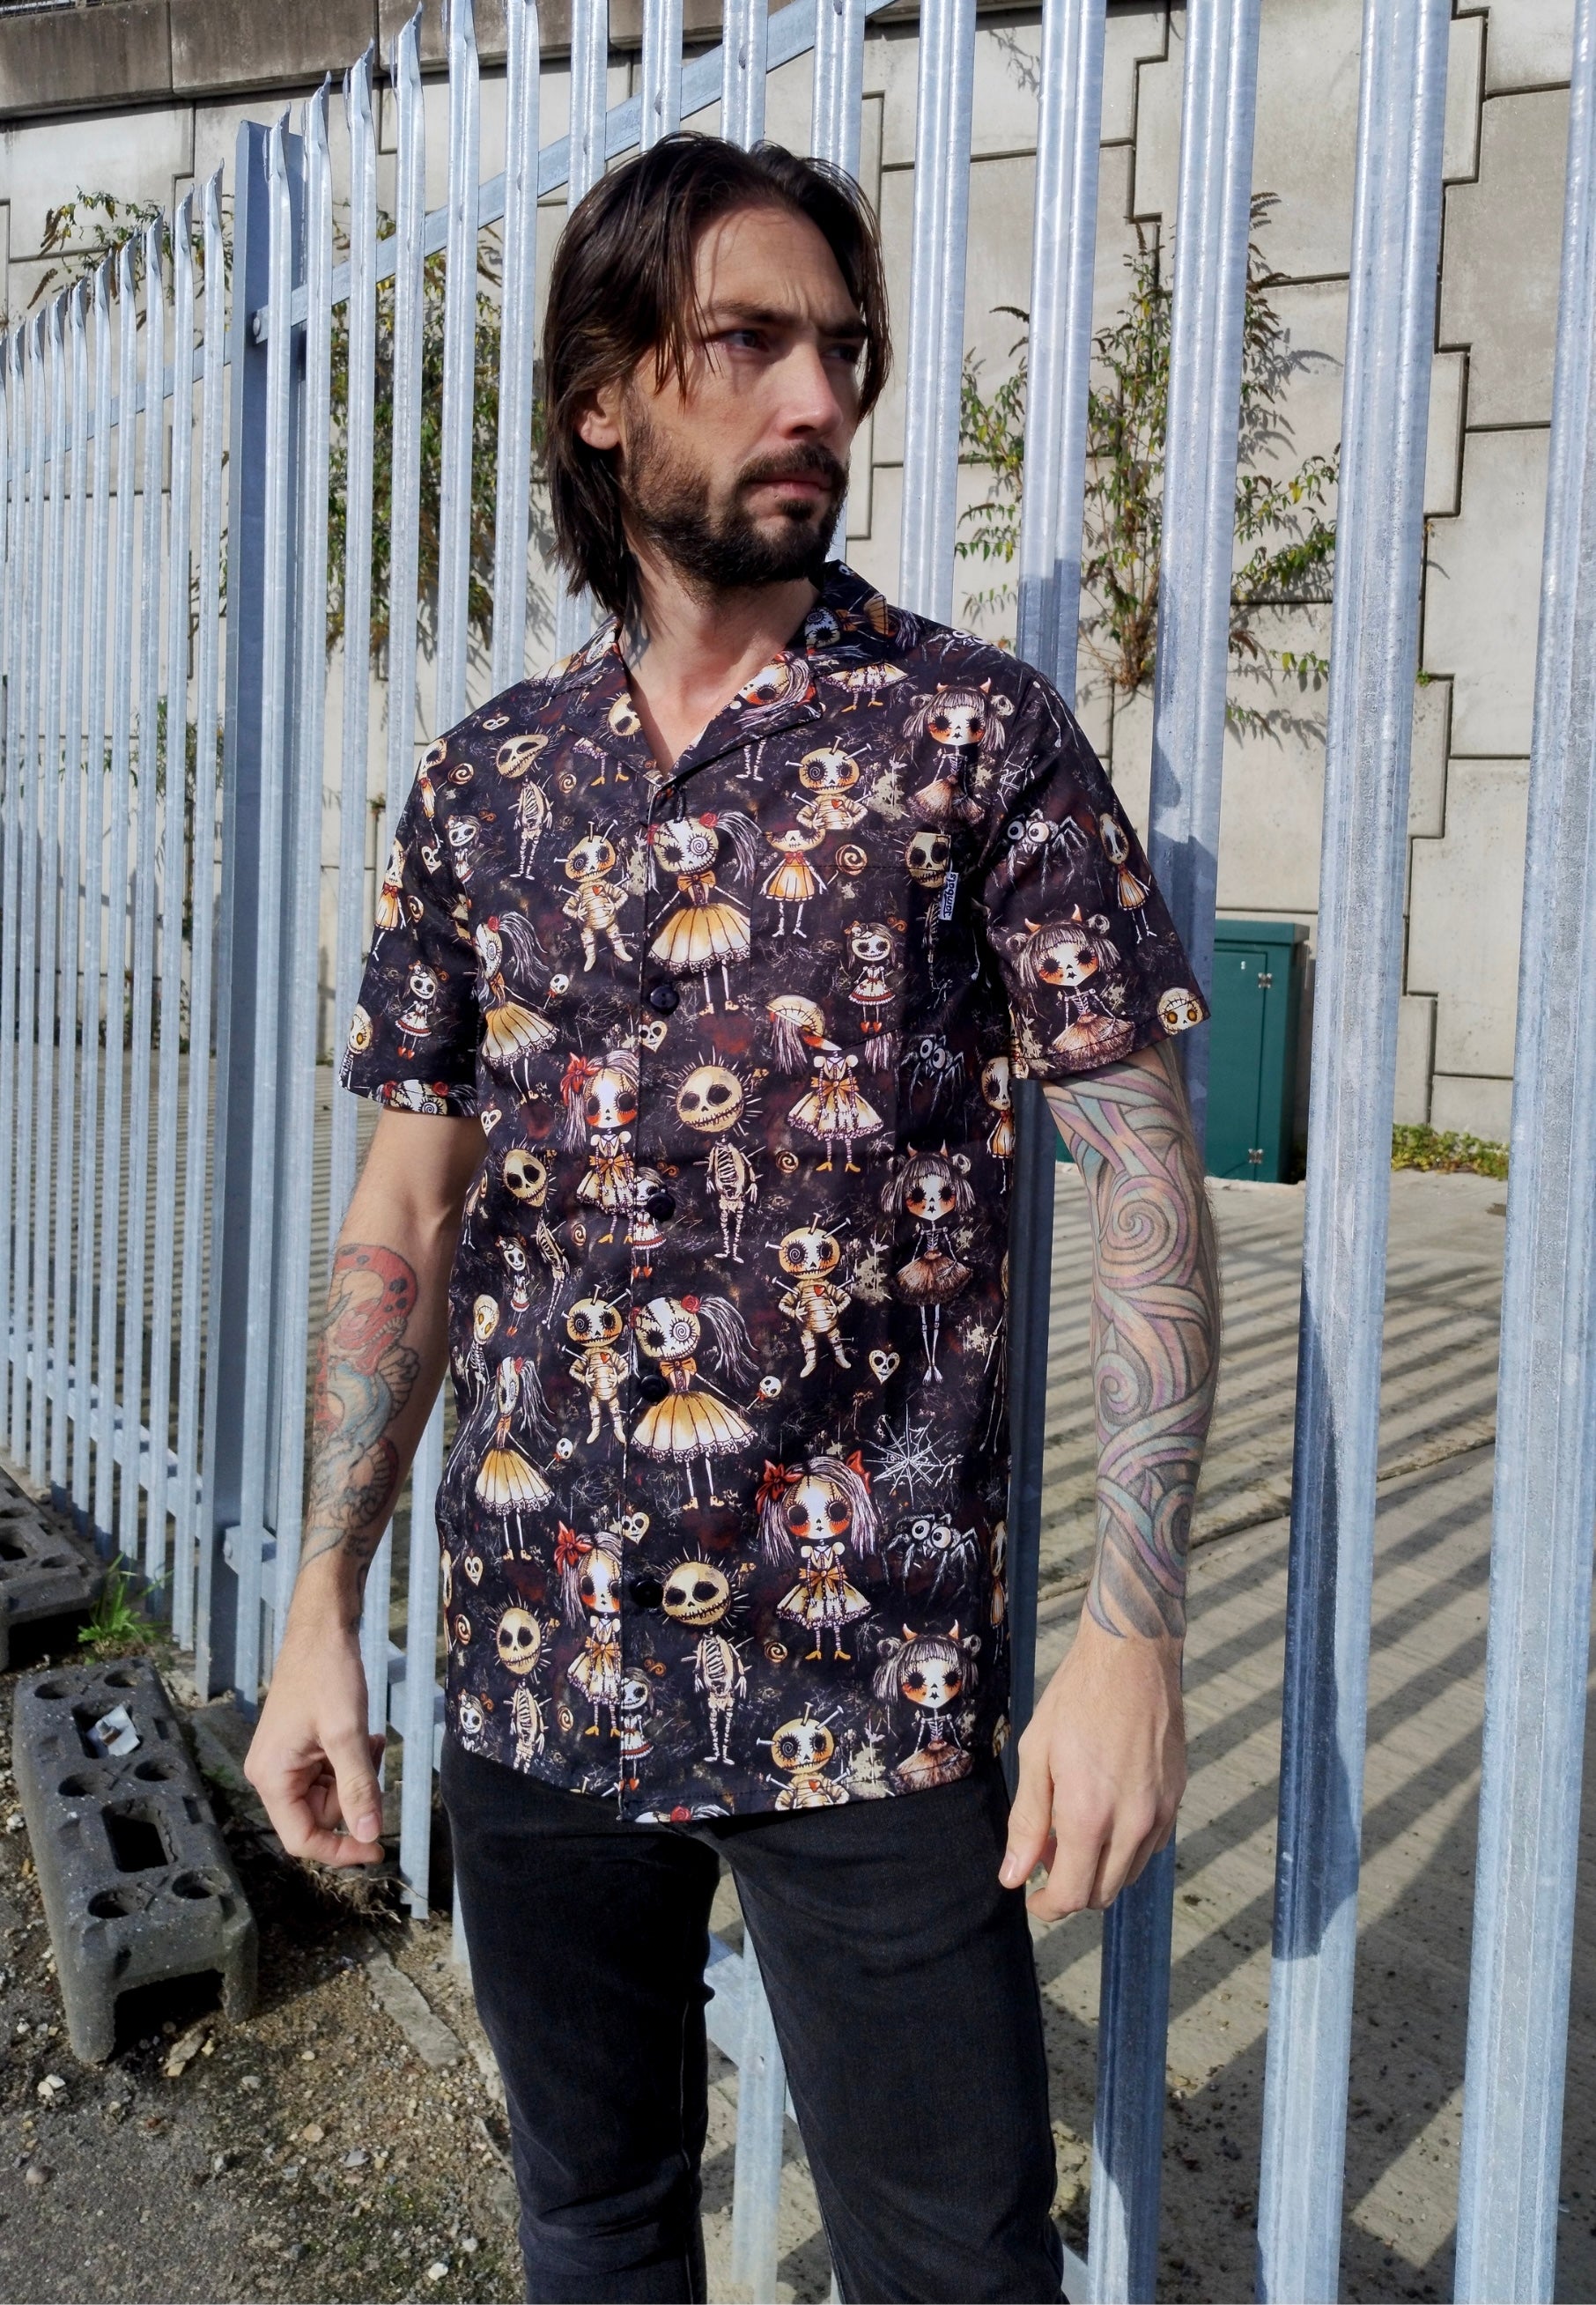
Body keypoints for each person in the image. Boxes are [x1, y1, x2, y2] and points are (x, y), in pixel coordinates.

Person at [246, 132, 1220, 2305]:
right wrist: (327, 1596)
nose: (819, 403)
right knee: (593, 2223)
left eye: (842, 353)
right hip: (533, 1666)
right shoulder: (488, 786)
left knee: (953, 2262)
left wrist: (1131, 1624)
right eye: (751, 345)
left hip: (865, 1686)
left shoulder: (972, 742)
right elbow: (408, 1197)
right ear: (607, 394)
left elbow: (1148, 1183)